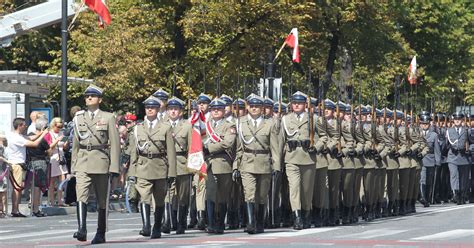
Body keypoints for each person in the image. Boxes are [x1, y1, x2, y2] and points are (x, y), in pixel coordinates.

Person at [71, 84, 120, 244]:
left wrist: (114, 167)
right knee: (81, 195)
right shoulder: (79, 118)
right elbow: (76, 144)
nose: (89, 98)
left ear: (100, 99)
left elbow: (114, 143)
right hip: (83, 160)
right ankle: (82, 228)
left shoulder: (108, 117)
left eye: (92, 96)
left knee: (101, 200)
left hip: (101, 161)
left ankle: (100, 232)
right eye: (87, 96)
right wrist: (73, 165)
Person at [129, 95, 177, 239]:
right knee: (144, 197)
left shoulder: (165, 127)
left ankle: (157, 226)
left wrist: (172, 173)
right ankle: (146, 226)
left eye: (152, 107)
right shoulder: (138, 128)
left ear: (157, 109)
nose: (150, 110)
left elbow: (171, 152)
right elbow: (134, 151)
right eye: (147, 107)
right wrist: (132, 171)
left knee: (160, 199)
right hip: (143, 166)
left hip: (160, 167)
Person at [233, 94, 281, 234]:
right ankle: (250, 223)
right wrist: (236, 166)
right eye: (252, 106)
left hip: (264, 161)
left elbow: (274, 147)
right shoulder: (240, 123)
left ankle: (260, 222)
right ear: (248, 107)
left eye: (257, 107)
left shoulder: (269, 123)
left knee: (262, 195)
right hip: (247, 162)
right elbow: (238, 147)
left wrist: (276, 166)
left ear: (262, 108)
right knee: (249, 193)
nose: (254, 109)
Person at [280, 92, 318, 229]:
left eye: (299, 103)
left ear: (305, 105)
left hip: (308, 158)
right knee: (294, 189)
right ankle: (297, 217)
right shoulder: (285, 119)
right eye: (294, 103)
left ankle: (307, 214)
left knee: (306, 191)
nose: (296, 105)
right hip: (291, 158)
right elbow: (280, 140)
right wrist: (279, 162)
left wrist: (316, 146)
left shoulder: (313, 118)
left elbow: (323, 136)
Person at [203, 98, 236, 234]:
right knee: (210, 194)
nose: (216, 111)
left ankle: (220, 222)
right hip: (208, 164)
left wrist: (209, 147)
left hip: (223, 163)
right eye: (213, 109)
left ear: (223, 111)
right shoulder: (205, 126)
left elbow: (227, 143)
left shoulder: (230, 126)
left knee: (222, 196)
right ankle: (211, 223)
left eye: (219, 109)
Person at [5, 117, 48, 217]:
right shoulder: (16, 137)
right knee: (17, 188)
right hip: (17, 164)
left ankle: (15, 209)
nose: (26, 126)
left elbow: (31, 138)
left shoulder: (17, 135)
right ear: (19, 126)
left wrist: (41, 132)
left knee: (19, 188)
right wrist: (44, 134)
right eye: (24, 125)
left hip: (19, 164)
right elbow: (34, 143)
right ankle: (15, 210)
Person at [167, 96, 193, 234]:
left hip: (182, 162)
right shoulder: (162, 125)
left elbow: (191, 147)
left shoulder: (187, 126)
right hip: (166, 164)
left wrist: (191, 164)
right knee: (169, 194)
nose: (172, 112)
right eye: (170, 109)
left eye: (175, 109)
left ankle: (182, 222)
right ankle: (171, 221)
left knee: (183, 195)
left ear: (180, 112)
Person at [27, 117, 63, 217]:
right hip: (41, 162)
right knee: (38, 186)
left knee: (33, 186)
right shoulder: (42, 139)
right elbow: (49, 151)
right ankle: (36, 208)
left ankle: (33, 206)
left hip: (31, 162)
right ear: (44, 127)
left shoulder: (29, 136)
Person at [446, 112, 470, 205]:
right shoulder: (449, 131)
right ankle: (455, 193)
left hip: (464, 157)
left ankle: (462, 194)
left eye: (459, 119)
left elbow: (471, 142)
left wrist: (468, 149)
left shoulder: (466, 130)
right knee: (454, 175)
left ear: (462, 120)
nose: (457, 121)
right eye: (455, 119)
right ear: (453, 120)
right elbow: (446, 144)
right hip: (453, 157)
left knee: (463, 178)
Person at [44, 117, 68, 206]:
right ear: (53, 125)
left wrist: (66, 143)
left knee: (63, 180)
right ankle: (52, 200)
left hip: (61, 158)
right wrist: (57, 140)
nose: (59, 129)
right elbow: (49, 147)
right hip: (53, 158)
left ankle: (60, 200)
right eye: (58, 127)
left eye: (61, 127)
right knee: (52, 181)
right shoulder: (49, 134)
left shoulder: (61, 133)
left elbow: (64, 148)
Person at [0, 131, 8, 218]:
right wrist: (8, 162)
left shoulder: (4, 147)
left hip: (3, 171)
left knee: (3, 192)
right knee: (2, 192)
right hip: (1, 171)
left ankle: (3, 210)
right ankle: (2, 210)